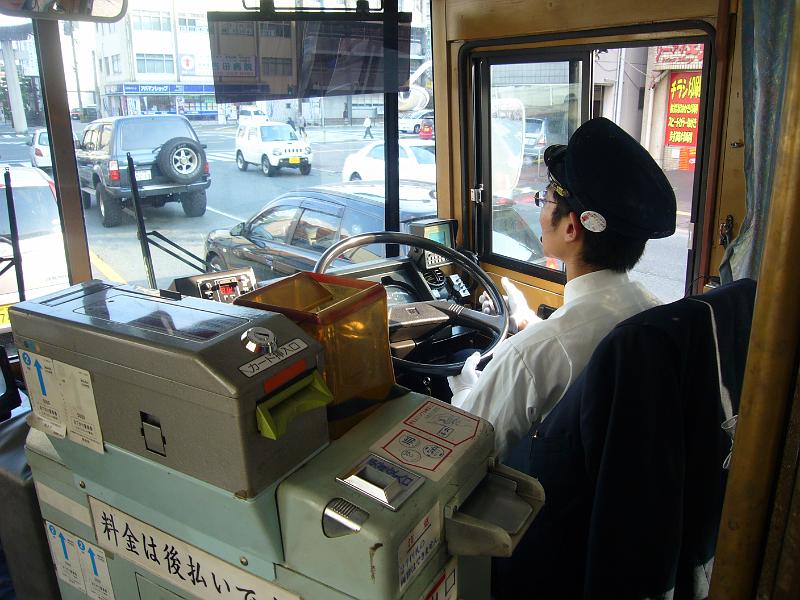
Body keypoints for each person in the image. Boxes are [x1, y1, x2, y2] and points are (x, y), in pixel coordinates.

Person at [447, 117, 677, 461]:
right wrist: (531, 325)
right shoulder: (655, 314)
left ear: (572, 227)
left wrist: (466, 390)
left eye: (545, 200)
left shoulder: (530, 357)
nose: (540, 211)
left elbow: (467, 451)